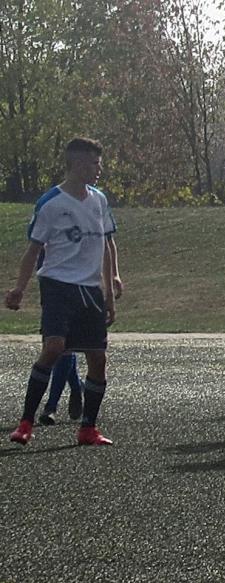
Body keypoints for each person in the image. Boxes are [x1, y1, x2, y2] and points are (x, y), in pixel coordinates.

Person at [7, 137, 117, 446]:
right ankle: (26, 423)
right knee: (54, 348)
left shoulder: (99, 200)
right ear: (79, 164)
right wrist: (19, 288)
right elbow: (33, 250)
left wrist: (109, 292)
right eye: (95, 164)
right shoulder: (50, 203)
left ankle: (88, 428)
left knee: (98, 359)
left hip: (90, 289)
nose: (99, 169)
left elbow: (106, 246)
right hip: (58, 286)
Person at [39, 234, 123, 425]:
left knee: (63, 345)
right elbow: (37, 244)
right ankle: (76, 388)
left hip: (82, 283)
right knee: (55, 346)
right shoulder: (46, 205)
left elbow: (107, 240)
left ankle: (51, 406)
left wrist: (114, 276)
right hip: (53, 282)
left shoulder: (94, 204)